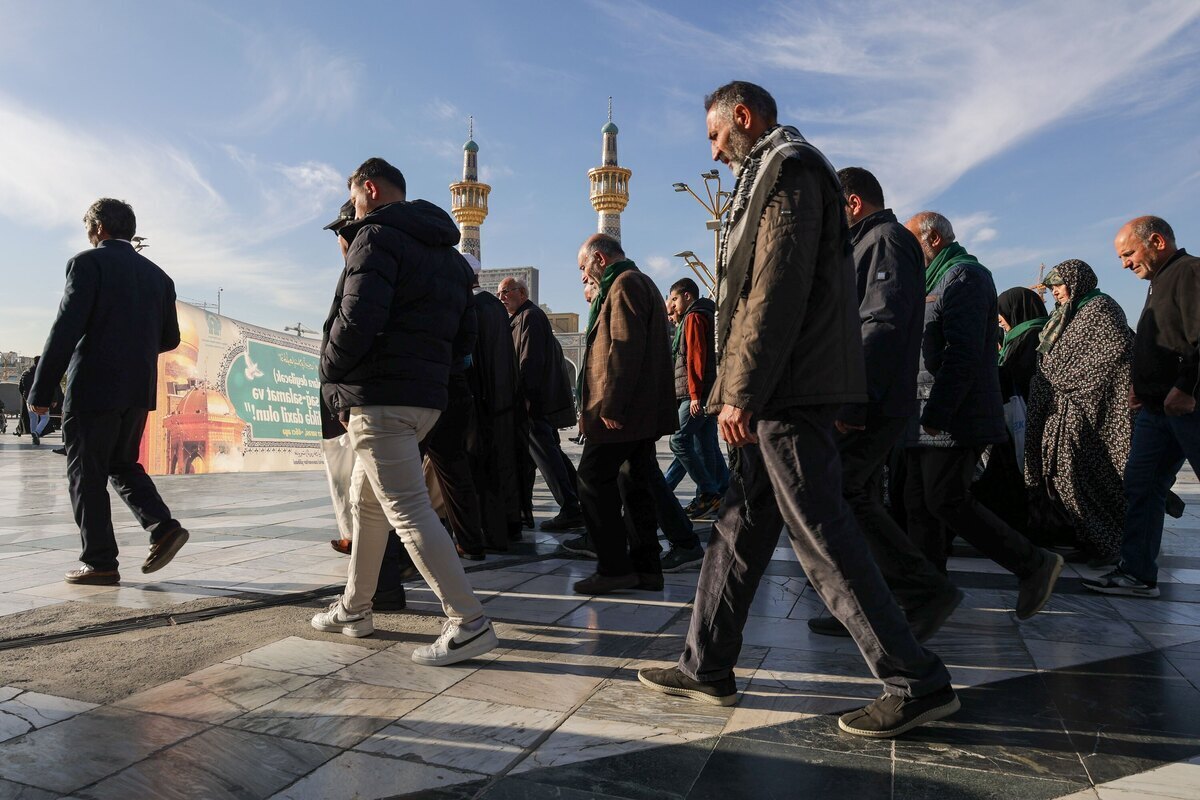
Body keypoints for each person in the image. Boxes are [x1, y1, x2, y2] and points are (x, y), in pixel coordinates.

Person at [638, 81, 958, 738]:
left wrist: (741, 392)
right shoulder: (777, 175)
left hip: (788, 391)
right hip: (786, 386)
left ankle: (915, 680)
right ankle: (707, 664)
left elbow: (773, 291)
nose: (715, 149)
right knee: (736, 527)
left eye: (716, 134)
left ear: (744, 118)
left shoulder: (787, 172)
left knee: (821, 535)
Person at [312, 157, 497, 666]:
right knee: (367, 501)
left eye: (353, 197)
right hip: (426, 399)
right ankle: (355, 606)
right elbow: (465, 337)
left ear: (368, 189)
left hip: (381, 396)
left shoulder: (376, 237)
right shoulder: (451, 258)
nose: (352, 206)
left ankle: (468, 621)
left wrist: (330, 373)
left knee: (406, 508)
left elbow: (354, 320)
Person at [807, 167, 962, 640]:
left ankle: (919, 592)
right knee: (851, 497)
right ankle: (867, 606)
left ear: (851, 202)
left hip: (869, 403)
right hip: (864, 398)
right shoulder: (868, 243)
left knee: (842, 497)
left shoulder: (887, 240)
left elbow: (881, 326)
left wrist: (854, 403)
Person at [902, 211, 1063, 613]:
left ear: (933, 239)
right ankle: (929, 594)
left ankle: (1033, 563)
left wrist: (937, 413)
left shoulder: (965, 277)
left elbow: (966, 354)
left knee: (945, 499)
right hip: (925, 414)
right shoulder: (931, 279)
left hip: (953, 416)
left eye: (911, 242)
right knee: (919, 504)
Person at [29, 198, 189, 585]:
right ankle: (163, 527)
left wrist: (43, 388)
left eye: (89, 228)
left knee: (86, 473)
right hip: (137, 389)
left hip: (94, 386)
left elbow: (65, 329)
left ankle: (99, 561)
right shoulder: (160, 277)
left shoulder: (87, 264)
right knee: (121, 462)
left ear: (99, 228)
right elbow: (170, 338)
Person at [1085, 217, 1200, 598]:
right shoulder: (1157, 283)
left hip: (1186, 405)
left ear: (1156, 241)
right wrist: (1141, 383)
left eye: (1128, 253)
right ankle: (1136, 572)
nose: (1124, 264)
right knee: (1141, 484)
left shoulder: (1189, 273)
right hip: (1156, 409)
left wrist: (1187, 386)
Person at [572, 233, 677, 595]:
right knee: (634, 486)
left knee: (590, 480)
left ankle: (614, 567)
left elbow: (624, 347)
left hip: (621, 412)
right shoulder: (634, 282)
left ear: (600, 258)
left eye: (585, 267)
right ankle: (647, 569)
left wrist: (611, 406)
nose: (584, 276)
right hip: (637, 412)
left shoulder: (625, 284)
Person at [1024, 260, 1134, 567]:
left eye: (1059, 285)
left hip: (1096, 412)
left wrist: (1061, 376)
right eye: (1052, 287)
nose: (1055, 292)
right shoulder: (1064, 315)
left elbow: (1115, 352)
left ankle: (1112, 543)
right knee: (1064, 478)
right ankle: (1090, 538)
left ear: (1076, 282)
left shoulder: (1100, 309)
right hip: (1064, 412)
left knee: (1095, 479)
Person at [498, 277, 583, 533]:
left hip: (532, 402)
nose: (501, 297)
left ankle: (570, 506)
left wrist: (525, 396)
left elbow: (529, 360)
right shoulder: (521, 318)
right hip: (534, 400)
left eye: (506, 292)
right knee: (549, 453)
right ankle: (585, 501)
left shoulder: (530, 317)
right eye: (499, 293)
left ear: (522, 293)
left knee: (546, 454)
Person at [464, 254, 524, 550]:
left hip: (478, 402)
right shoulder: (497, 309)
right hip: (503, 402)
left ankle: (482, 532)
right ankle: (508, 526)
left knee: (478, 469)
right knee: (502, 466)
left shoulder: (469, 307)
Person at [665, 278, 728, 530]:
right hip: (704, 394)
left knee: (678, 440)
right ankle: (721, 493)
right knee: (705, 444)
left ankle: (709, 492)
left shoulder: (694, 318)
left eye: (675, 299)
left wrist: (694, 395)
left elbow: (696, 358)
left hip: (696, 395)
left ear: (687, 296)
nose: (672, 304)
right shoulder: (699, 316)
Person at [997, 287, 1048, 404]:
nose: (999, 320)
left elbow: (1019, 375)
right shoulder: (1018, 337)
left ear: (1015, 309)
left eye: (1002, 312)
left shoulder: (1032, 336)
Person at [19, 358, 49, 445]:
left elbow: (20, 387)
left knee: (33, 418)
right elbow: (49, 386)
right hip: (41, 399)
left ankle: (34, 436)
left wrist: (25, 397)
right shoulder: (43, 373)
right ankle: (36, 432)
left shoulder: (25, 373)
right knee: (45, 417)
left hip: (29, 399)